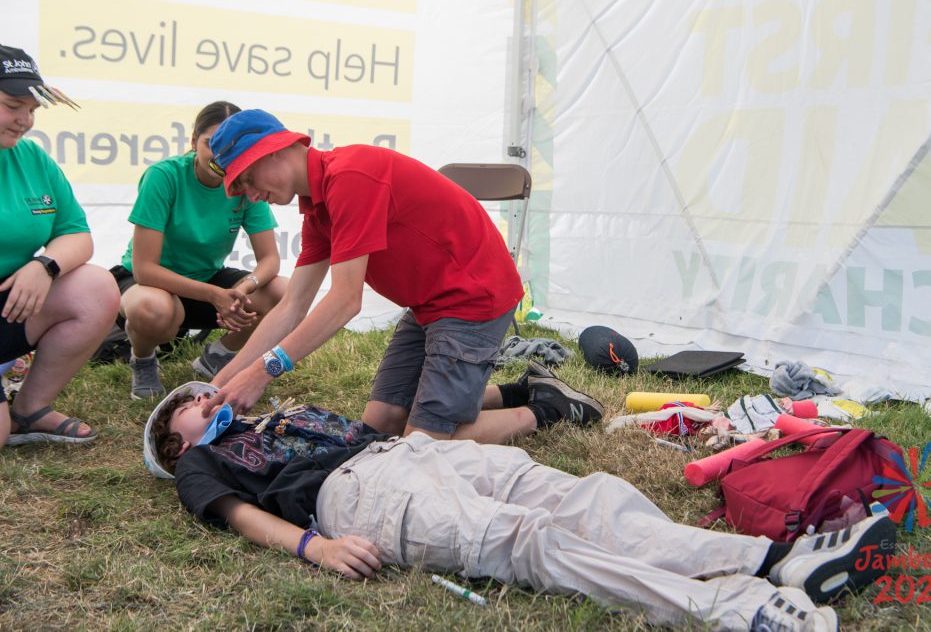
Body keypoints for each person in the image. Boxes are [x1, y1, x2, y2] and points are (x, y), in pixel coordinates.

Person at [144, 383, 898, 632]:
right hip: (353, 498)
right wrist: (315, 549)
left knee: (583, 496)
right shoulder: (205, 464)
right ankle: (738, 611)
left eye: (204, 390)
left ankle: (774, 559)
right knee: (527, 539)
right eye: (188, 404)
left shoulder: (286, 413)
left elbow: (387, 421)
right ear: (174, 447)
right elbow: (236, 516)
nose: (205, 397)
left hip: (411, 453)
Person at [202, 109, 602, 442]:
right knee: (378, 430)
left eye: (248, 180)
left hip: (474, 299)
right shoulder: (317, 208)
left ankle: (547, 409)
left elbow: (345, 301)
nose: (251, 196)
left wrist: (263, 371)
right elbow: (292, 306)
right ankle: (521, 390)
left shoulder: (350, 177)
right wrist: (217, 387)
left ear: (274, 152)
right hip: (429, 304)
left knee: (418, 446)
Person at [113, 101, 288, 399]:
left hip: (207, 279)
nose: (221, 154)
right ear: (194, 141)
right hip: (148, 284)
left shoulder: (246, 182)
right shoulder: (164, 176)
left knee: (284, 292)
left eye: (231, 146)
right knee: (153, 309)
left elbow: (270, 259)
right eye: (211, 143)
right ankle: (143, 359)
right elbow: (145, 269)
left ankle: (218, 356)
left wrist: (244, 288)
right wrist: (214, 295)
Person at [0, 44, 120, 446]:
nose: (25, 120)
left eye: (32, 108)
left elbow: (77, 235)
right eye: (13, 105)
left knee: (97, 286)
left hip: (12, 303)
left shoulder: (32, 158)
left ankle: (29, 409)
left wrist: (44, 266)